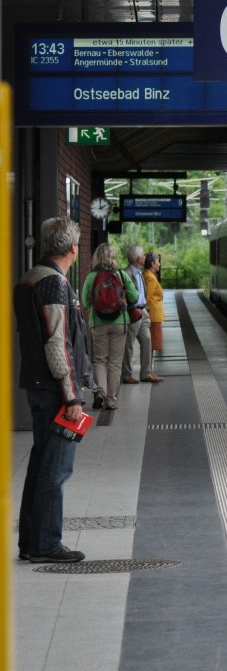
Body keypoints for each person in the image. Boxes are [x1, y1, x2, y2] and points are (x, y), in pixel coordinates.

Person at [14, 217, 90, 563]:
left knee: (40, 464)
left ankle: (30, 542)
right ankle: (47, 544)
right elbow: (57, 344)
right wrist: (71, 395)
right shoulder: (55, 285)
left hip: (36, 385)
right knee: (56, 469)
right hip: (54, 390)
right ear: (73, 247)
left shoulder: (28, 279)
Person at [82, 243, 138, 410]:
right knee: (115, 362)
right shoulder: (120, 274)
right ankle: (111, 400)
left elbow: (85, 302)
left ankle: (100, 391)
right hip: (120, 323)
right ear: (113, 257)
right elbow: (135, 297)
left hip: (98, 324)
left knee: (99, 360)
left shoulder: (91, 277)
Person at [121, 245, 162, 384]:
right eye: (143, 255)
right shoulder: (126, 273)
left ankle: (146, 373)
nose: (145, 257)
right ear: (138, 258)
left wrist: (147, 310)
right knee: (129, 344)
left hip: (143, 311)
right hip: (133, 312)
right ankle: (126, 375)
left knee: (147, 341)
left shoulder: (140, 272)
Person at [143, 252, 165, 358]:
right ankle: (149, 371)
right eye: (158, 262)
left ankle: (149, 370)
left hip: (153, 314)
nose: (159, 264)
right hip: (153, 315)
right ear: (152, 264)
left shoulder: (148, 274)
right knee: (152, 344)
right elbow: (147, 297)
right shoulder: (150, 277)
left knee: (151, 344)